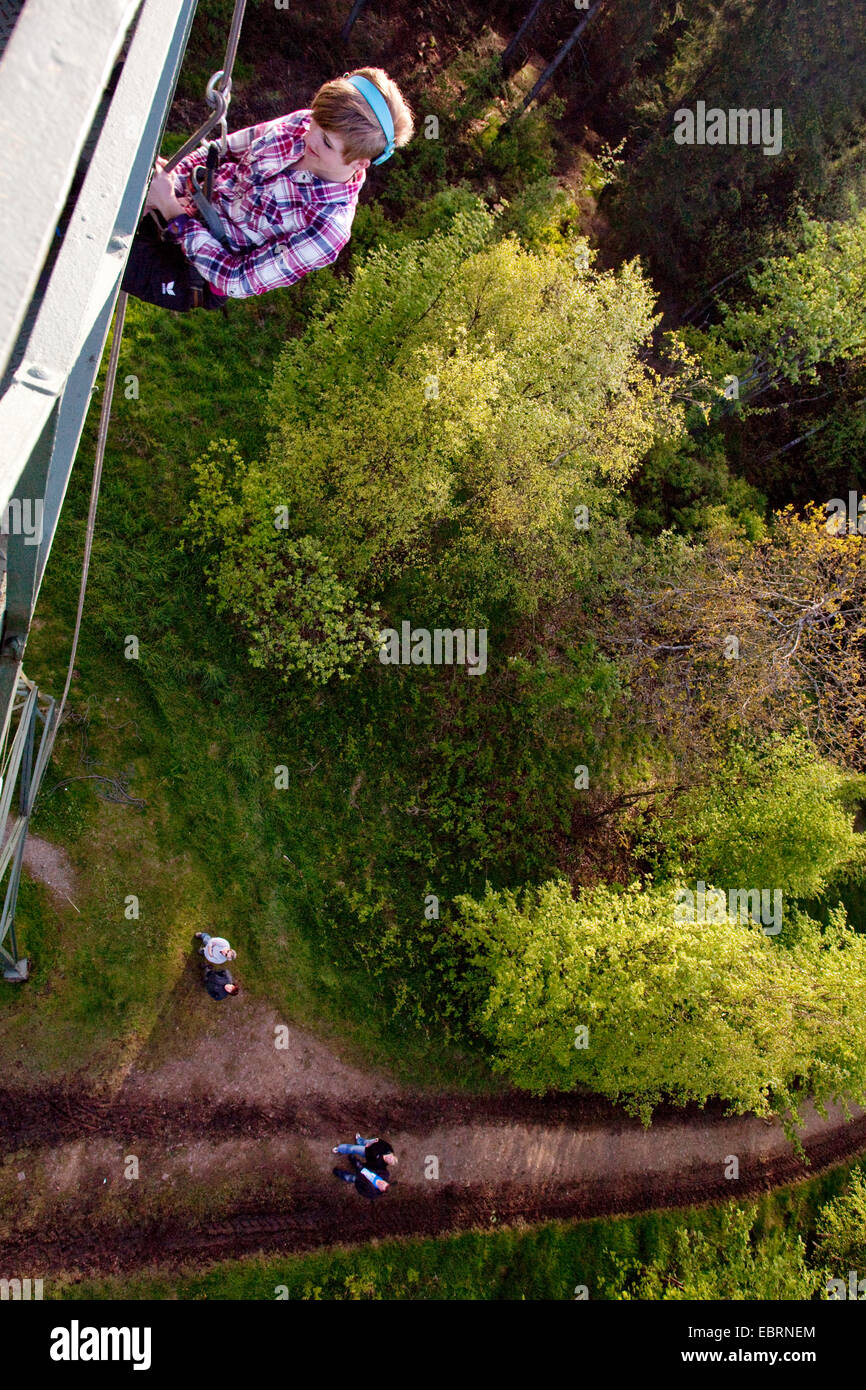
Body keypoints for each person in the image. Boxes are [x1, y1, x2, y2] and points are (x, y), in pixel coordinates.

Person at [121, 66, 414, 312]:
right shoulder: (301, 125)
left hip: (187, 269)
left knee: (93, 249)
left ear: (360, 163)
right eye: (315, 121)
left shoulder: (328, 228)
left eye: (326, 143)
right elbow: (222, 150)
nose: (309, 136)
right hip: (178, 197)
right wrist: (169, 178)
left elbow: (235, 279)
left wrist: (172, 211)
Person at [332, 1134, 396, 1198]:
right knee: (355, 1161)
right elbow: (376, 1165)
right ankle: (349, 1157)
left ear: (381, 1190)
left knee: (347, 1177)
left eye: (382, 1187)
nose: (382, 1184)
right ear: (386, 1182)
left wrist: (357, 1183)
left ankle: (336, 1172)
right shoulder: (385, 1174)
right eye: (384, 1183)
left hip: (358, 1178)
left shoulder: (373, 1193)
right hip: (362, 1167)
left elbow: (362, 1191)